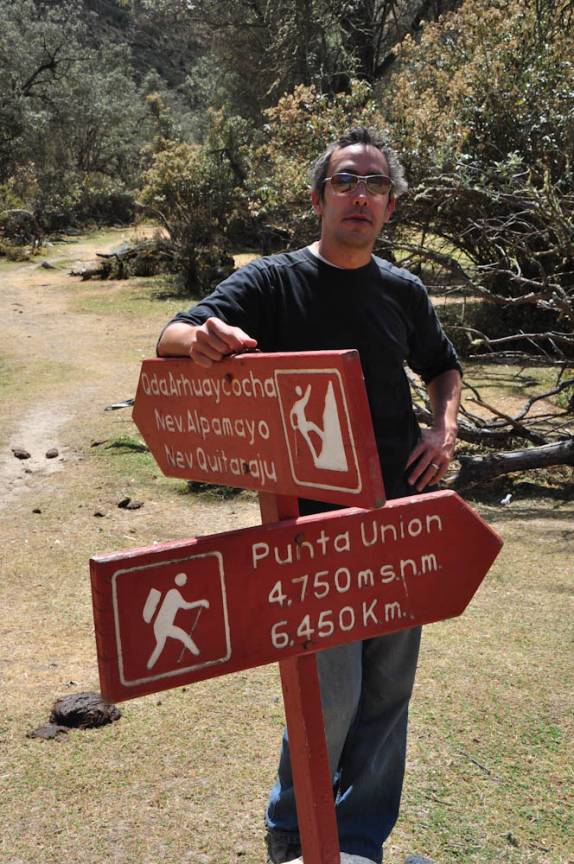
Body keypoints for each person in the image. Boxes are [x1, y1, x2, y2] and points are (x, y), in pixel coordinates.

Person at [157, 127, 462, 864]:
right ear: (319, 197)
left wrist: (442, 431)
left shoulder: (403, 289)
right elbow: (174, 330)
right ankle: (296, 836)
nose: (362, 196)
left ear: (391, 206)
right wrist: (197, 342)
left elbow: (442, 367)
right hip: (311, 535)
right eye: (347, 181)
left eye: (376, 185)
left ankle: (357, 843)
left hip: (396, 523)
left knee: (388, 696)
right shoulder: (271, 280)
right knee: (327, 700)